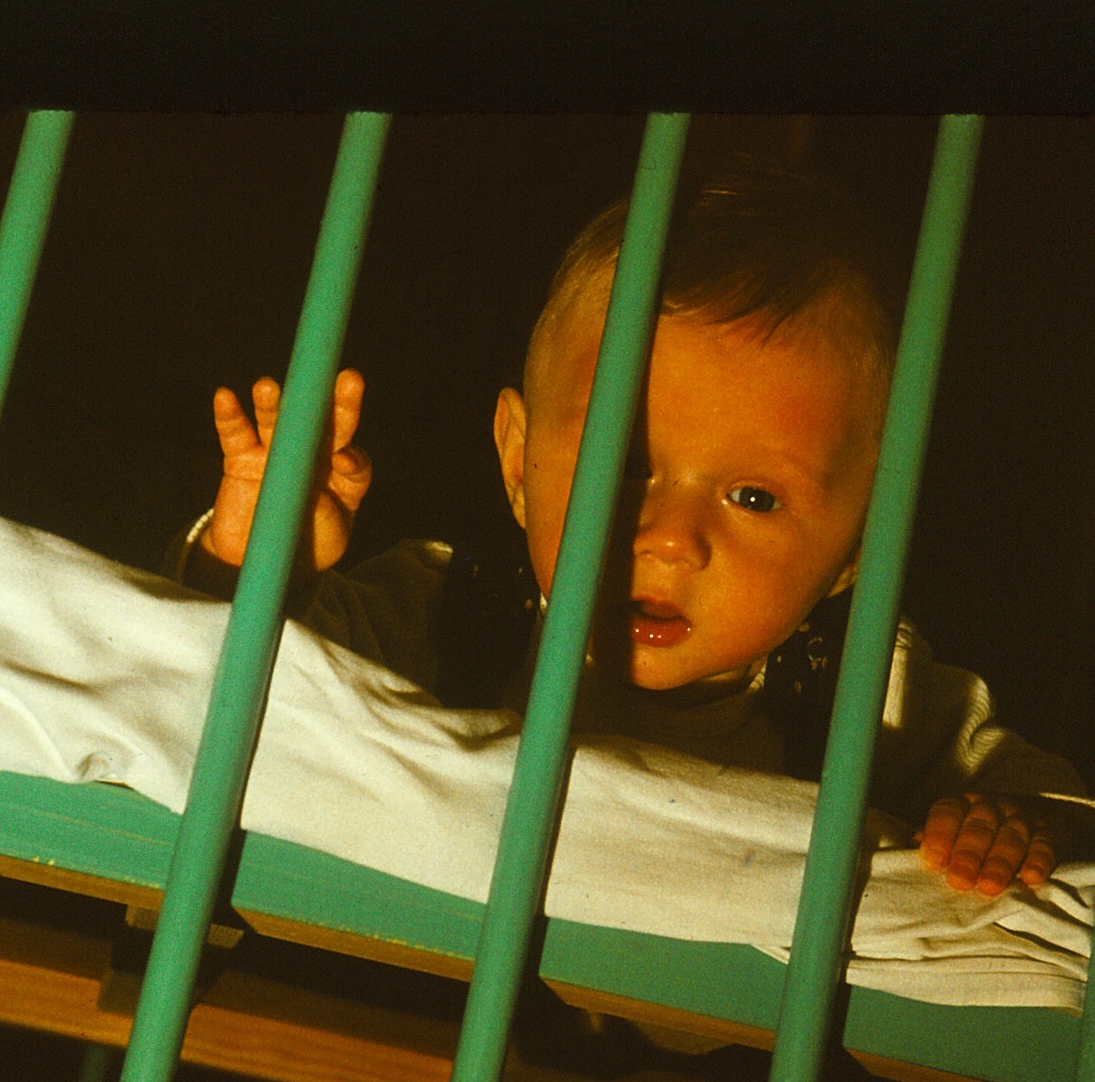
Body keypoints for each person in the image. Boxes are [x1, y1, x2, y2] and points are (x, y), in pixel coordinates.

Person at [175, 161, 1087, 900]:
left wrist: (1014, 823)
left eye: (753, 498)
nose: (669, 538)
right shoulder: (450, 606)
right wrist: (260, 561)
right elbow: (213, 693)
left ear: (859, 547)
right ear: (517, 462)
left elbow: (1061, 804)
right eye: (620, 465)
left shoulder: (866, 692)